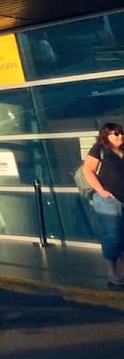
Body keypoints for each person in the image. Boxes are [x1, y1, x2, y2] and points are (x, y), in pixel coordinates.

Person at [83, 122, 124, 286]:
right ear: (106, 136)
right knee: (112, 236)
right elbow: (88, 170)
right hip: (108, 200)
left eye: (121, 133)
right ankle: (111, 272)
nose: (120, 136)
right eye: (115, 134)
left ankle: (122, 271)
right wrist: (101, 191)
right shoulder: (99, 149)